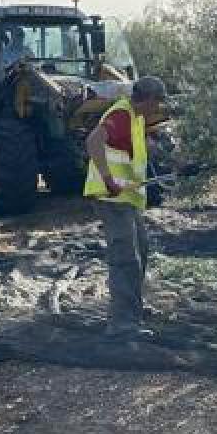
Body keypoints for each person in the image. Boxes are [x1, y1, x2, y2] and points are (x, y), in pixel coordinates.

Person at [84, 76, 168, 338]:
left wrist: (178, 165)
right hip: (111, 200)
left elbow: (144, 151)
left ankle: (132, 310)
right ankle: (122, 324)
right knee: (125, 259)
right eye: (158, 102)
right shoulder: (121, 114)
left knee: (140, 253)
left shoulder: (135, 118)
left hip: (127, 201)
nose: (158, 109)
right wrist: (108, 179)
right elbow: (93, 141)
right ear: (149, 98)